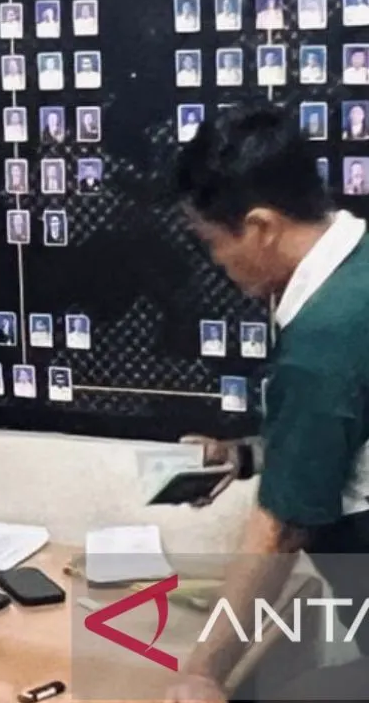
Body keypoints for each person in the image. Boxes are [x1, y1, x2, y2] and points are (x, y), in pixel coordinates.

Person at [168, 105, 369, 702]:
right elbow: (346, 434)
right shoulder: (355, 277)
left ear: (260, 227)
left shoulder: (327, 337)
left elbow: (279, 533)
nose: (216, 262)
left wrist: (201, 672)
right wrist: (250, 456)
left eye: (213, 242)